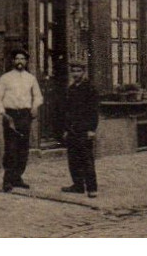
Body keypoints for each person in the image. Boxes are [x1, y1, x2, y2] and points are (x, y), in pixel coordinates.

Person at [0, 49, 43, 192]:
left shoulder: (31, 78)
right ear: (13, 61)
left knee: (23, 149)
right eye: (17, 59)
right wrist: (3, 113)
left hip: (25, 115)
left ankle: (17, 177)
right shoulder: (5, 78)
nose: (20, 61)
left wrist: (34, 107)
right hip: (10, 116)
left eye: (22, 59)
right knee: (11, 149)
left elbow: (38, 96)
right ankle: (7, 180)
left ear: (26, 61)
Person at [61, 59, 99, 197]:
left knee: (86, 159)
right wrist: (66, 129)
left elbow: (94, 111)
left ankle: (92, 188)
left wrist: (92, 130)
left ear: (84, 72)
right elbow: (67, 111)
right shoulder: (71, 89)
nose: (75, 74)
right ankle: (78, 185)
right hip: (72, 129)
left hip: (84, 129)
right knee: (73, 159)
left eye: (78, 71)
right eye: (73, 71)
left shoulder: (90, 88)